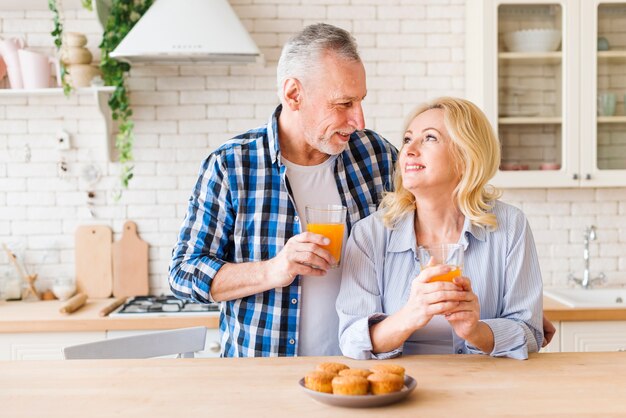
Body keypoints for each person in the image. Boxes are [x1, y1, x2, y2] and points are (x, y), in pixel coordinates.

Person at [168, 23, 397, 357]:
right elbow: (183, 273)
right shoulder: (232, 165)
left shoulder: (376, 156)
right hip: (263, 378)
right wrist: (274, 269)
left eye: (360, 101)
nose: (358, 120)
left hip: (357, 374)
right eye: (344, 103)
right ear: (293, 95)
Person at [336, 97, 544, 360]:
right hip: (401, 389)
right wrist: (410, 315)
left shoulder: (510, 227)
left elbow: (531, 333)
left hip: (486, 389)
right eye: (408, 139)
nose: (409, 150)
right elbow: (352, 339)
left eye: (430, 138)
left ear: (466, 155)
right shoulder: (370, 234)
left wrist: (476, 331)